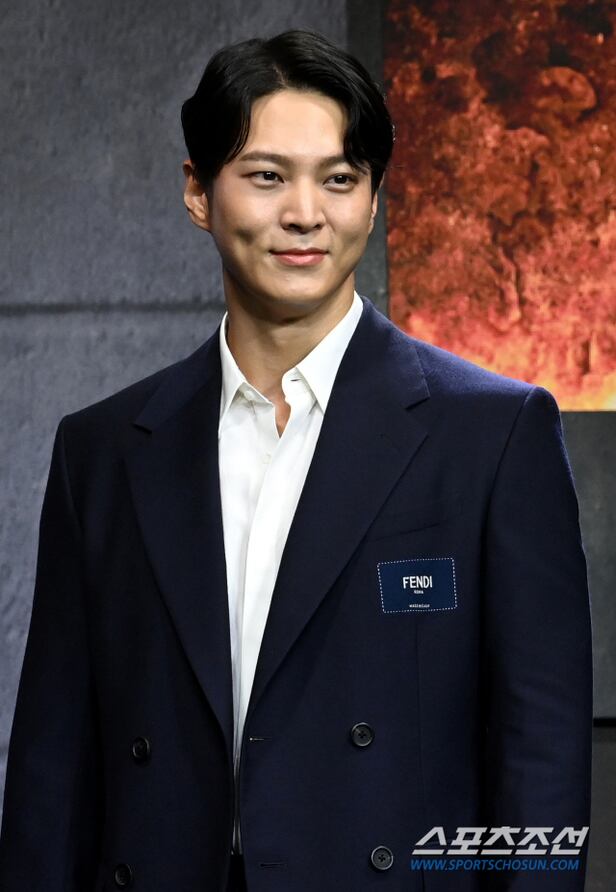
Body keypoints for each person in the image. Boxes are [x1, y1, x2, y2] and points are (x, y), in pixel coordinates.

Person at [0, 28, 592, 892]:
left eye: (339, 178)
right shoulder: (103, 450)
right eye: (268, 176)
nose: (306, 213)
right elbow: (52, 765)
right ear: (198, 192)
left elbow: (541, 752)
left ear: (374, 200)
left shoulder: (494, 434)